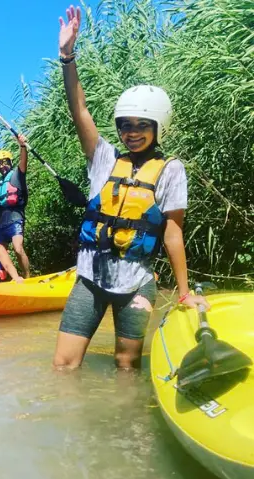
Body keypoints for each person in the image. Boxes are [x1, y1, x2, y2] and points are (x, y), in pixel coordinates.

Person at [53, 6, 210, 371]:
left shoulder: (171, 170)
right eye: (125, 125)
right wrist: (67, 56)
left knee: (127, 368)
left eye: (142, 124)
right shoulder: (103, 158)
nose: (132, 131)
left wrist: (183, 293)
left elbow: (173, 233)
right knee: (63, 365)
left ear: (158, 127)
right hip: (90, 278)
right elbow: (80, 110)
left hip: (137, 283)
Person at [0, 134, 31, 278]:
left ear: (10, 162)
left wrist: (22, 146)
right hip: (1, 221)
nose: (2, 165)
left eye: (4, 162)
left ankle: (28, 276)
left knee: (17, 248)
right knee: (0, 253)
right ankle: (8, 278)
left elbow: (23, 162)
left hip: (15, 216)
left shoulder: (17, 175)